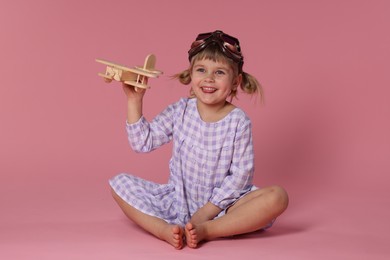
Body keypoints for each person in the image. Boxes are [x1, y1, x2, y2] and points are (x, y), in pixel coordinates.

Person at [109, 30, 289, 249]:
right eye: (201, 70)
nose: (209, 78)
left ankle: (209, 230)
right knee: (118, 184)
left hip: (225, 207)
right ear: (191, 75)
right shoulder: (180, 110)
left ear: (236, 81)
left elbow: (241, 176)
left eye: (220, 72)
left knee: (277, 197)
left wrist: (206, 213)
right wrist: (134, 100)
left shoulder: (238, 121)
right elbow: (142, 142)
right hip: (178, 201)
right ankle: (163, 229)